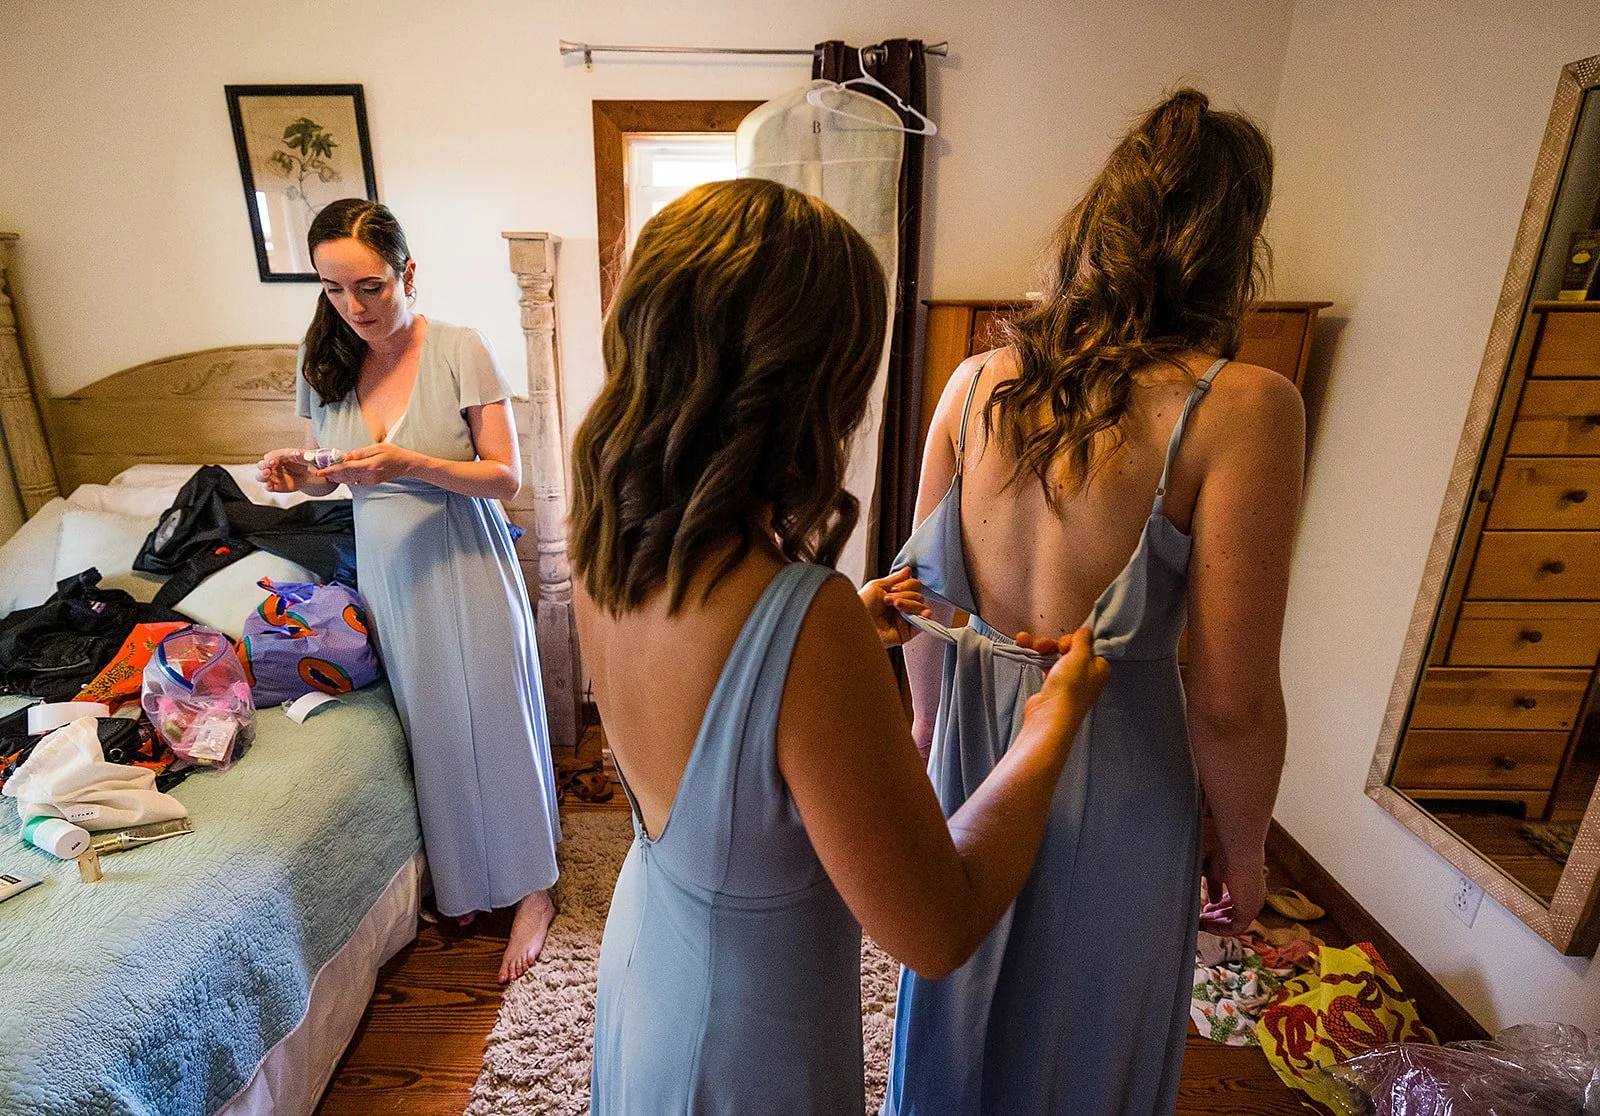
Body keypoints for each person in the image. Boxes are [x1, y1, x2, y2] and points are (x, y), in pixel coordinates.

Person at [569, 177, 1110, 1116]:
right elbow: (936, 927)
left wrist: (830, 646)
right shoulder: (800, 617)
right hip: (743, 1044)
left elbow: (710, 729)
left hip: (649, 969)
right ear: (807, 387)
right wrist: (1049, 726)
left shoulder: (606, 539)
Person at [885, 89, 1304, 1115]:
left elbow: (919, 606)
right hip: (1115, 761)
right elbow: (1231, 698)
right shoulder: (1245, 406)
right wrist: (1247, 848)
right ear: (1228, 250)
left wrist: (932, 731)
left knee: (961, 1004)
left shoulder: (973, 385)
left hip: (973, 750)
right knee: (1085, 1032)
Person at [258, 199, 560, 984]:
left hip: (466, 554)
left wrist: (411, 464)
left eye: (370, 287)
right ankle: (468, 882)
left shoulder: (459, 347)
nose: (354, 308)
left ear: (406, 273)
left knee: (495, 715)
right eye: (334, 290)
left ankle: (533, 888)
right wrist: (296, 479)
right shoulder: (322, 358)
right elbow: (331, 476)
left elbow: (504, 477)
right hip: (390, 568)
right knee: (433, 727)